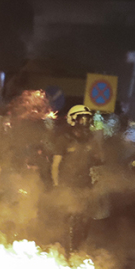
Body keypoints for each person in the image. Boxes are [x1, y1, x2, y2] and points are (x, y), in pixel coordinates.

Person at [51, 105, 103, 256]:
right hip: (68, 186)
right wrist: (56, 185)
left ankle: (78, 250)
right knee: (68, 220)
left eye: (87, 119)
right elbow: (56, 165)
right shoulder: (64, 140)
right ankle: (66, 251)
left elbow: (98, 163)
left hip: (85, 186)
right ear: (73, 120)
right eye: (82, 118)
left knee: (85, 220)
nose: (85, 122)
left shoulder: (91, 141)